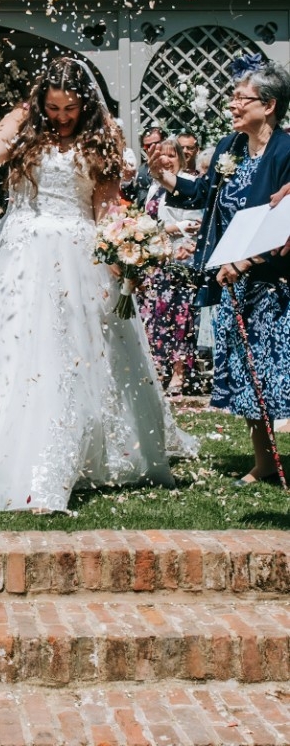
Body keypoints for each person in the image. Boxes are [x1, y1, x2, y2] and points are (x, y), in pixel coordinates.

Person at [0, 57, 197, 512]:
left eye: (69, 109)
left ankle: (79, 451)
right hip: (23, 254)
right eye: (53, 107)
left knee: (71, 354)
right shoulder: (23, 121)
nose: (61, 116)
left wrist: (121, 248)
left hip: (78, 256)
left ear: (84, 104)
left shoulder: (101, 139)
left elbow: (106, 204)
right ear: (40, 100)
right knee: (11, 347)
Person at [148, 57, 290, 485]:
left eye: (240, 98)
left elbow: (285, 221)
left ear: (268, 105)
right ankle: (264, 463)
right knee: (249, 371)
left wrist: (247, 261)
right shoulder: (230, 147)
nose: (232, 105)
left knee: (276, 369)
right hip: (231, 279)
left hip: (272, 278)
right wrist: (167, 178)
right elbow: (204, 195)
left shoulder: (286, 151)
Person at [138, 138, 202, 396]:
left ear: (181, 157)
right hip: (155, 262)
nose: (166, 160)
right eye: (160, 155)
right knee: (153, 318)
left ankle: (179, 373)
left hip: (180, 260)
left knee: (180, 318)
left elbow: (195, 223)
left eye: (171, 155)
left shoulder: (188, 183)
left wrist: (162, 230)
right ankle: (158, 370)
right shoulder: (155, 187)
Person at [122, 124, 164, 208]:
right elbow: (134, 197)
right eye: (147, 146)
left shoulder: (174, 166)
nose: (151, 148)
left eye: (156, 143)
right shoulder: (142, 170)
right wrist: (127, 180)